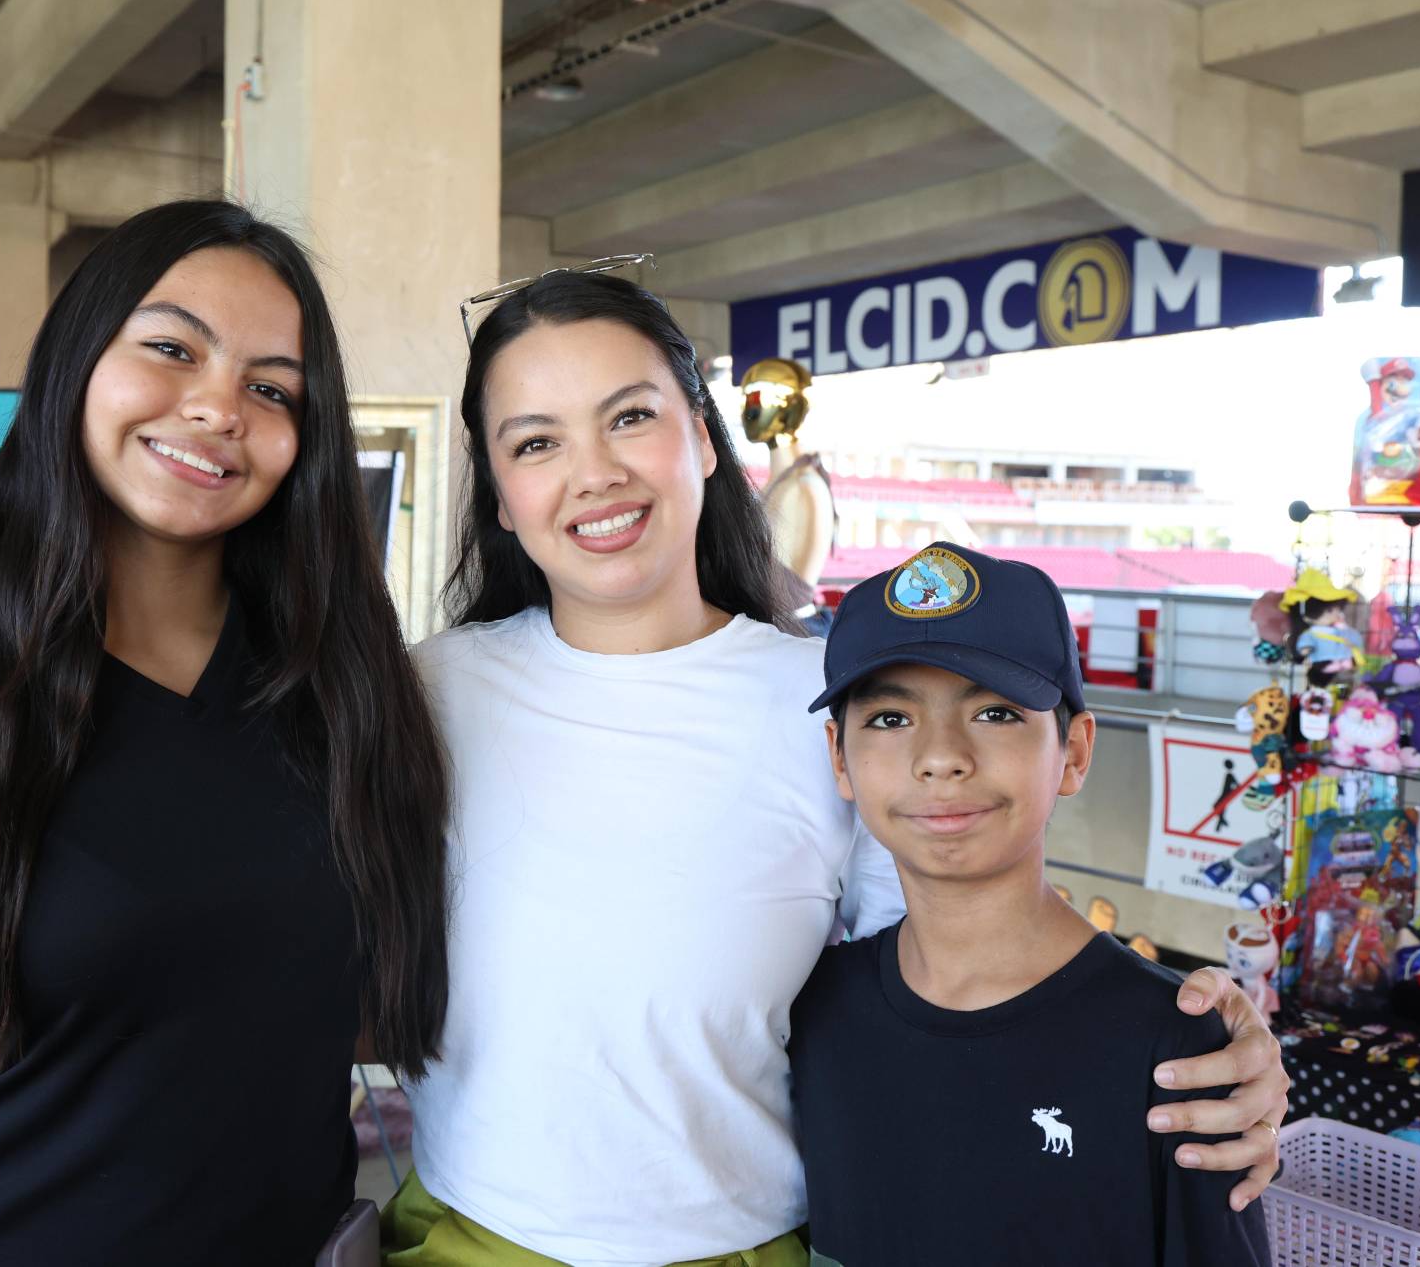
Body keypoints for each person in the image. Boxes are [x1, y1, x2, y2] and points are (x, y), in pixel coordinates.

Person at [384, 271, 1288, 1266]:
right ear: (501, 494)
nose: (591, 473)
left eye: (627, 417)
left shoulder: (829, 698)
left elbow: (955, 971)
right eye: (536, 441)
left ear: (698, 432)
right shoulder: (425, 694)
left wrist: (1187, 1038)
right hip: (460, 1236)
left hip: (739, 1248)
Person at [0, 200, 451, 1266]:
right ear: (77, 361)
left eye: (269, 387)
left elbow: (353, 1015)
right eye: (173, 349)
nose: (218, 408)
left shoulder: (347, 701)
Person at [788, 546, 1271, 1267]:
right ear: (839, 756)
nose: (941, 755)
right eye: (890, 718)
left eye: (995, 710)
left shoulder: (1175, 1048)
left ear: (1073, 751)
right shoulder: (810, 1005)